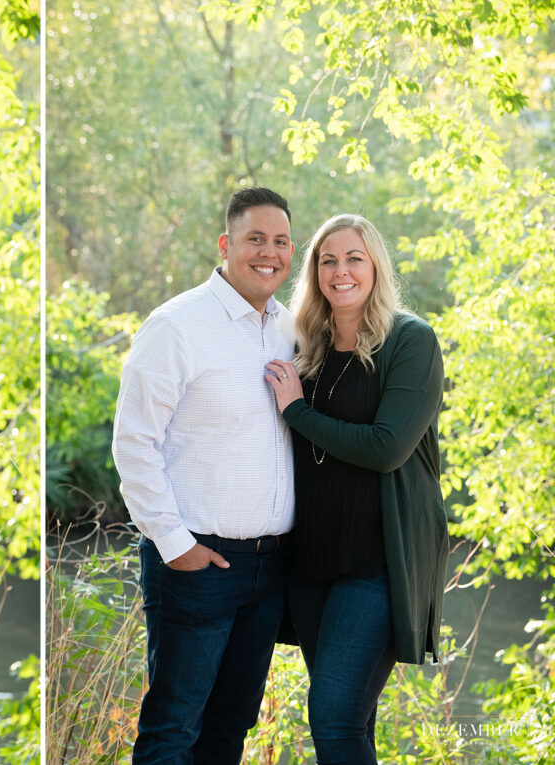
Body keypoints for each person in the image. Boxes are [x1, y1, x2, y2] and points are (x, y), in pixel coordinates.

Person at [112, 187, 297, 763]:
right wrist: (175, 545)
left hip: (270, 566)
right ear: (226, 244)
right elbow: (133, 443)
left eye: (282, 241)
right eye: (256, 239)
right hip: (198, 562)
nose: (269, 252)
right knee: (173, 727)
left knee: (230, 726)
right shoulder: (176, 325)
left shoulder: (290, 330)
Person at [264, 214, 448, 764]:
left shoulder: (410, 340)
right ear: (314, 271)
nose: (340, 271)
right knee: (351, 726)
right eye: (327, 260)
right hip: (312, 558)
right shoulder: (306, 346)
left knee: (334, 720)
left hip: (378, 560)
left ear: (375, 267)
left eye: (354, 259)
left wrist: (296, 410)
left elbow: (387, 447)